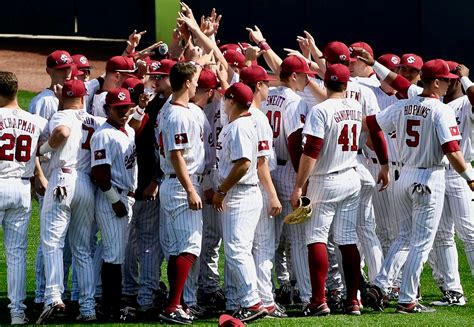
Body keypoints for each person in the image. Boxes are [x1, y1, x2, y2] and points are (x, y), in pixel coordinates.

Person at [365, 59, 474, 314]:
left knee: (403, 236)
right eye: (446, 79)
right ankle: (407, 299)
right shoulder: (441, 109)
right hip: (428, 178)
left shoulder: (403, 104)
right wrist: (470, 177)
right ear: (436, 82)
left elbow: (373, 123)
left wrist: (382, 158)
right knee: (421, 243)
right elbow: (452, 152)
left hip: (402, 175)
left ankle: (380, 283)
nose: (450, 83)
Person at [290, 64, 389, 316]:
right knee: (347, 240)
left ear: (324, 83)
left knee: (316, 238)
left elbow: (310, 151)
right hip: (350, 176)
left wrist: (300, 185)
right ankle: (353, 300)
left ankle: (318, 300)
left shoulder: (320, 110)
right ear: (346, 84)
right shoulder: (355, 108)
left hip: (325, 179)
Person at [36, 79, 105, 323]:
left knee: (53, 242)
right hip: (86, 184)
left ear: (62, 97)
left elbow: (62, 132)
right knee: (83, 249)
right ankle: (87, 307)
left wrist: (43, 150)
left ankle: (54, 296)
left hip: (62, 180)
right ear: (84, 97)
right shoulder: (96, 121)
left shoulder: (61, 115)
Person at [156, 61, 206, 325]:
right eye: (195, 79)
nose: (197, 83)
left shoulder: (172, 109)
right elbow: (176, 155)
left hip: (175, 183)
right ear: (187, 83)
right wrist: (190, 190)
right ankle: (173, 304)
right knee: (189, 246)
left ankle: (176, 303)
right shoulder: (177, 114)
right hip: (180, 184)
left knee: (178, 249)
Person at [213, 82, 267, 322]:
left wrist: (222, 191)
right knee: (236, 249)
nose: (223, 102)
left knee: (237, 250)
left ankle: (252, 302)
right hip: (239, 193)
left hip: (240, 193)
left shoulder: (240, 127)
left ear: (232, 101)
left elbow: (244, 163)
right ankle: (240, 301)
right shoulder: (237, 124)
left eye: (226, 99)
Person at [0, 71, 48, 325]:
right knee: (16, 254)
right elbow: (58, 136)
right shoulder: (36, 121)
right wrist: (39, 172)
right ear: (17, 90)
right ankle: (17, 312)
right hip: (21, 190)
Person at [239, 65, 286, 317]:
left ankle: (244, 297)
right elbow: (261, 163)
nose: (269, 86)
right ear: (258, 87)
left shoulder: (239, 112)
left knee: (247, 247)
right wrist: (273, 194)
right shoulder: (257, 117)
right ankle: (265, 300)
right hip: (258, 186)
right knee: (264, 245)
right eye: (266, 83)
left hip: (244, 186)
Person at [428, 62, 474, 306]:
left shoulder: (467, 103)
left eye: (450, 77)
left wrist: (466, 79)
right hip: (437, 173)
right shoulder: (436, 105)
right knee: (443, 235)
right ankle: (454, 292)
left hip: (462, 172)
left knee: (470, 233)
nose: (448, 80)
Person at [90, 87, 138, 320]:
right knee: (114, 255)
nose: (124, 112)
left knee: (113, 252)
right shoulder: (102, 135)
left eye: (127, 107)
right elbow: (99, 173)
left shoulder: (128, 129)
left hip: (124, 196)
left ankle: (102, 300)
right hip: (112, 199)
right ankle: (111, 308)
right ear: (108, 108)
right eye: (119, 109)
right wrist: (114, 200)